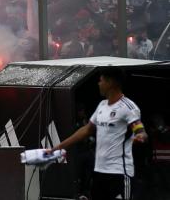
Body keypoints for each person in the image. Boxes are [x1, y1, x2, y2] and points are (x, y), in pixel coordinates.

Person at [48, 67, 148, 200]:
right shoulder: (102, 105)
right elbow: (87, 130)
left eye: (101, 81)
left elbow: (139, 129)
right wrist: (59, 147)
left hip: (119, 173)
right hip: (99, 173)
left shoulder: (128, 107)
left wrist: (141, 136)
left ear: (110, 83)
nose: (98, 84)